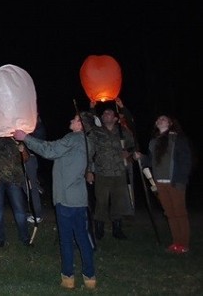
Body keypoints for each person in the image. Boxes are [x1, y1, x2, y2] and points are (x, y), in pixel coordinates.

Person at [15, 115, 96, 290]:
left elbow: (50, 150)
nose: (71, 121)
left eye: (75, 119)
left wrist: (26, 137)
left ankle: (68, 277)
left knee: (66, 239)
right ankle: (90, 277)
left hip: (66, 198)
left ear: (82, 125)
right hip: (80, 198)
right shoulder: (88, 142)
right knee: (82, 237)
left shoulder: (73, 138)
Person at [82, 101, 135, 240]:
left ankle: (117, 230)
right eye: (104, 113)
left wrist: (128, 152)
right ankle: (99, 230)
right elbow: (89, 151)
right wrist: (89, 170)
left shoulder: (123, 132)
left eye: (109, 113)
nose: (105, 115)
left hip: (119, 173)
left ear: (116, 118)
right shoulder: (96, 132)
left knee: (118, 202)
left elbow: (132, 145)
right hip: (101, 172)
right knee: (101, 202)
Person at [141, 114, 192, 254]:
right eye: (158, 119)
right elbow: (151, 162)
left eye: (163, 119)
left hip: (175, 181)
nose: (159, 120)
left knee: (179, 213)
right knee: (169, 213)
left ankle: (184, 244)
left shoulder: (178, 139)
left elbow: (186, 161)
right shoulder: (154, 142)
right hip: (159, 182)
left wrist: (181, 180)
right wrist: (141, 157)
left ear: (170, 123)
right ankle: (176, 243)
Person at [0, 130, 30, 247]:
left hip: (13, 179)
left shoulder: (14, 137)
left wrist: (22, 149)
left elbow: (25, 158)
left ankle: (25, 238)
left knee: (19, 209)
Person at [23, 115, 46, 224]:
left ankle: (37, 215)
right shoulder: (28, 127)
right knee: (24, 185)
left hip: (30, 159)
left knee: (31, 188)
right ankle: (37, 185)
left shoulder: (38, 128)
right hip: (22, 159)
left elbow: (35, 144)